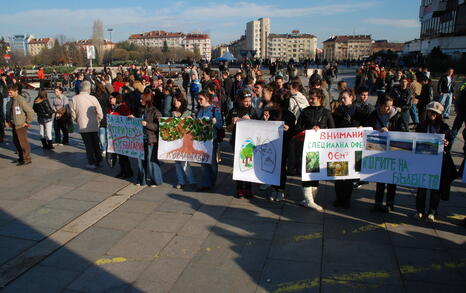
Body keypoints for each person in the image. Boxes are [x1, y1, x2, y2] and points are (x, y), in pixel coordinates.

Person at [414, 102, 457, 222]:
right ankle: (420, 211)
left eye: (434, 113)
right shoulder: (422, 126)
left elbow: (448, 145)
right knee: (421, 188)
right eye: (429, 111)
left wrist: (447, 143)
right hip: (423, 160)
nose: (431, 114)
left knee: (435, 189)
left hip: (437, 162)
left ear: (439, 115)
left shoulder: (444, 128)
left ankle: (432, 211)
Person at [295, 88, 335, 212]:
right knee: (307, 172)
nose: (310, 100)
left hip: (321, 148)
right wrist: (308, 131)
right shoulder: (305, 112)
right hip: (307, 147)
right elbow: (297, 128)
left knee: (316, 173)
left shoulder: (327, 113)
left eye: (313, 98)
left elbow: (333, 131)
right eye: (309, 98)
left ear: (320, 99)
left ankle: (310, 199)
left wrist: (321, 130)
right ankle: (309, 200)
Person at [365, 94, 403, 212]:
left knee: (392, 178)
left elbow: (403, 132)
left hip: (392, 151)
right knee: (380, 176)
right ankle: (378, 202)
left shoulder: (397, 115)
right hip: (378, 150)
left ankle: (390, 203)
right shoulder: (374, 114)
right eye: (386, 106)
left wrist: (389, 131)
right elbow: (368, 129)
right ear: (380, 105)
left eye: (390, 106)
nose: (389, 109)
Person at [332, 90, 365, 208]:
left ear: (351, 97)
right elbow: (332, 126)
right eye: (341, 98)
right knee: (339, 175)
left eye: (344, 98)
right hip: (340, 147)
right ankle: (338, 198)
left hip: (353, 148)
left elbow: (366, 123)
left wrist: (361, 127)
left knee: (350, 176)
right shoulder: (337, 111)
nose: (341, 100)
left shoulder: (358, 111)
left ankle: (346, 199)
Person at [226, 88, 259, 198]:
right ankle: (239, 188)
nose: (248, 103)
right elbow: (228, 129)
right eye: (245, 101)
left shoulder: (252, 110)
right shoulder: (233, 111)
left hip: (249, 143)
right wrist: (233, 123)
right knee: (239, 165)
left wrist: (250, 120)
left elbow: (259, 126)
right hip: (237, 141)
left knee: (248, 165)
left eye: (249, 101)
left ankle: (248, 188)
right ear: (239, 100)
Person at [70, 81, 104, 169]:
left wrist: (76, 119)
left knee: (88, 144)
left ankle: (91, 162)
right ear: (89, 89)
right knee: (95, 142)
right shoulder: (93, 98)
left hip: (82, 124)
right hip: (93, 124)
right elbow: (100, 112)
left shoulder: (74, 98)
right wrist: (98, 119)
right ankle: (99, 159)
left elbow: (72, 113)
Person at [196, 90, 223, 191]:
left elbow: (220, 125)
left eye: (201, 99)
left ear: (207, 99)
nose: (199, 101)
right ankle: (205, 183)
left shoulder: (214, 109)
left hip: (212, 139)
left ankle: (211, 182)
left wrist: (215, 122)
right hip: (201, 140)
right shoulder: (200, 110)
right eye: (198, 99)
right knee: (203, 162)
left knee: (211, 162)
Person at [137, 89, 163, 187]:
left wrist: (147, 124)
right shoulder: (141, 110)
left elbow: (158, 127)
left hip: (151, 139)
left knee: (151, 160)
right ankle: (141, 179)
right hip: (141, 138)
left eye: (142, 99)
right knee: (141, 160)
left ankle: (155, 180)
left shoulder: (155, 111)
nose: (140, 101)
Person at [5, 84, 35, 165]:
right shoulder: (12, 100)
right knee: (16, 142)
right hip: (14, 125)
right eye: (8, 92)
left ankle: (27, 159)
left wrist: (27, 122)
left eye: (10, 92)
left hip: (21, 125)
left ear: (16, 91)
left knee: (23, 143)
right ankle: (21, 158)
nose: (9, 94)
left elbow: (31, 112)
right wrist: (9, 121)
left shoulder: (20, 100)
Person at [171, 96, 196, 189]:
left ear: (182, 101)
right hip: (175, 140)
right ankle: (181, 181)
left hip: (185, 140)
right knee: (177, 162)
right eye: (174, 100)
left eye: (177, 100)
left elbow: (194, 125)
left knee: (184, 161)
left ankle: (191, 180)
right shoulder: (172, 112)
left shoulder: (187, 112)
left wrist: (191, 120)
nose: (175, 102)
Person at [108, 92, 133, 179]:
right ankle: (123, 171)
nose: (110, 99)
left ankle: (128, 172)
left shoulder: (123, 107)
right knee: (119, 154)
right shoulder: (112, 107)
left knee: (123, 155)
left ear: (116, 98)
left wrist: (114, 115)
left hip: (123, 134)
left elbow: (126, 119)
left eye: (111, 98)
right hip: (115, 134)